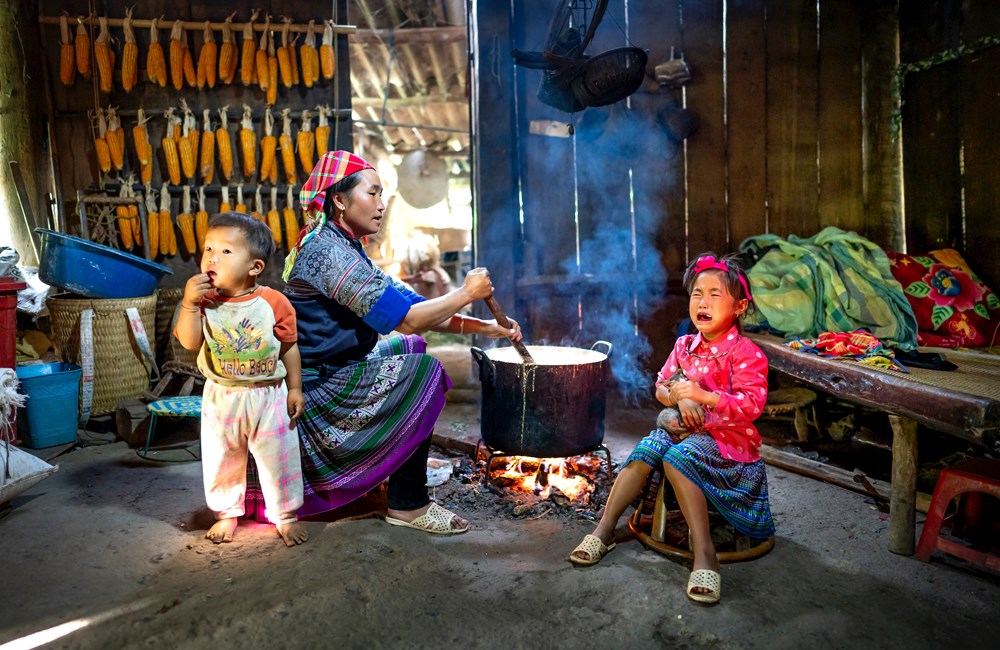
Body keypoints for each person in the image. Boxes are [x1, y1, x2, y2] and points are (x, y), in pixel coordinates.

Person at [254, 149, 522, 534]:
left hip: (338, 366)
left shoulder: (346, 246)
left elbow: (414, 306)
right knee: (424, 373)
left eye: (382, 195)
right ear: (340, 200)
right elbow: (411, 320)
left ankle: (390, 464)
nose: (381, 205)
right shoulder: (328, 253)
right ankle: (408, 504)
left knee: (411, 350)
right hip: (315, 386)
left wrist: (486, 326)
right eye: (373, 194)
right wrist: (466, 291)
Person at [568, 253, 774, 605]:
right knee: (646, 450)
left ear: (739, 307)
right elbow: (662, 387)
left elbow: (751, 407)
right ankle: (604, 530)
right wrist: (682, 400)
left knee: (679, 458)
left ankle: (705, 554)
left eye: (714, 294)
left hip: (727, 441)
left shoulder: (746, 353)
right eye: (697, 294)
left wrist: (702, 395)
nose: (703, 302)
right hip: (683, 427)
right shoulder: (684, 346)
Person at [175, 212, 308, 548]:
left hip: (269, 395)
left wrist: (295, 388)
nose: (211, 258)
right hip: (222, 395)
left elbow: (289, 349)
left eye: (225, 252)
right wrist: (189, 304)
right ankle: (227, 513)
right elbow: (189, 342)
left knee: (279, 456)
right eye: (208, 249)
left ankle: (285, 515)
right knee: (222, 457)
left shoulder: (274, 303)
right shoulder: (203, 302)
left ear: (255, 268)